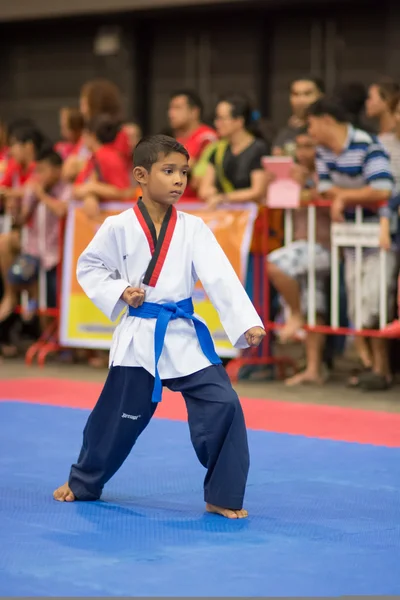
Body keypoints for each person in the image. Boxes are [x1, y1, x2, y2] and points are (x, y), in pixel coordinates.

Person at [53, 134, 266, 518]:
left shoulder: (193, 227)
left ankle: (223, 495)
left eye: (183, 172)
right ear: (140, 174)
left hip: (183, 334)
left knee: (224, 404)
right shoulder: (117, 226)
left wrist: (245, 321)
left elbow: (220, 275)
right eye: (168, 171)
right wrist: (120, 291)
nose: (179, 180)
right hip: (141, 336)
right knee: (117, 418)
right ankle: (84, 481)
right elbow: (89, 266)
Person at [308, 97, 396, 391]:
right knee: (358, 305)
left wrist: (344, 197)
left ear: (326, 119)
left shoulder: (367, 145)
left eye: (311, 124)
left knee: (376, 302)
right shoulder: (323, 151)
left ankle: (382, 369)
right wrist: (353, 193)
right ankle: (371, 367)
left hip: (380, 235)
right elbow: (323, 187)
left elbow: (383, 188)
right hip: (350, 239)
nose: (310, 132)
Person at [267, 129, 331, 384]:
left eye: (309, 146)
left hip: (323, 248)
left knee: (275, 264)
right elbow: (273, 199)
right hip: (301, 249)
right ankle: (313, 370)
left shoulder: (326, 172)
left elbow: (322, 197)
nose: (304, 153)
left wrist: (304, 186)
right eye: (300, 147)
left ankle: (294, 314)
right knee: (314, 304)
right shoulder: (290, 176)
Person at [63, 79, 131, 182]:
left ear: (95, 103)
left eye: (84, 103)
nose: (82, 110)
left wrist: (83, 165)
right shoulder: (87, 133)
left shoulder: (119, 134)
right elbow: (68, 170)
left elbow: (114, 166)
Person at [73, 114, 134, 222]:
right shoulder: (94, 157)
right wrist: (90, 195)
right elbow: (77, 190)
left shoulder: (108, 157)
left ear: (92, 135)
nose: (82, 139)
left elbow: (124, 192)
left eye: (84, 134)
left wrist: (93, 187)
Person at [168, 90, 217, 201]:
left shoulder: (207, 137)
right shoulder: (177, 141)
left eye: (177, 108)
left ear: (194, 112)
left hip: (199, 205)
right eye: (170, 108)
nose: (171, 114)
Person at [272, 76, 325, 156]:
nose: (301, 100)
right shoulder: (286, 132)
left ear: (321, 96)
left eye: (307, 94)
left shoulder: (329, 129)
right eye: (296, 94)